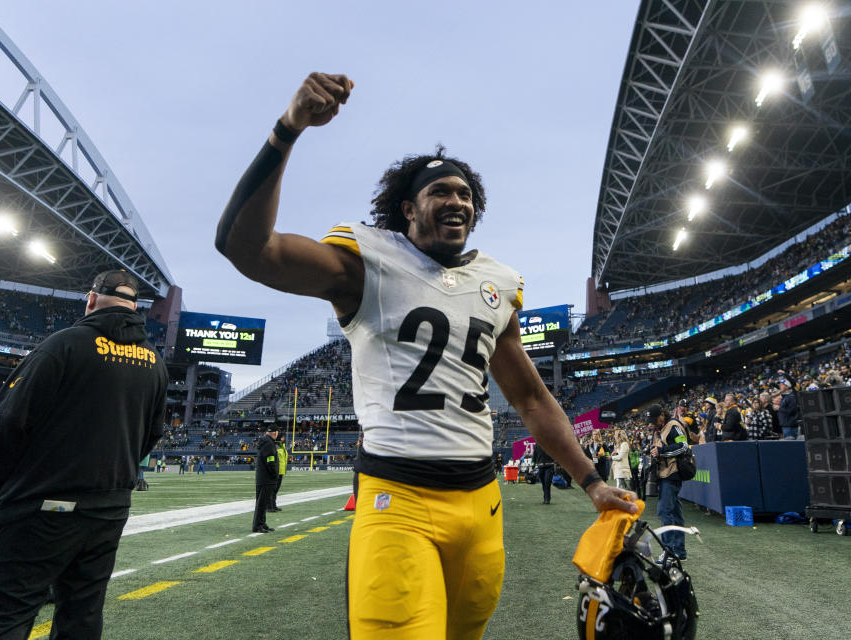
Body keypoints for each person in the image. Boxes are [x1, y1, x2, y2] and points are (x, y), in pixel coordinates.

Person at [215, 71, 636, 638]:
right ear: (408, 209)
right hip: (400, 501)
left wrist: (590, 481)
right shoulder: (367, 262)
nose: (456, 200)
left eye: (464, 193)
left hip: (482, 506)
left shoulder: (498, 284)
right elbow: (247, 249)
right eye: (441, 192)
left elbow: (532, 397)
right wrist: (287, 131)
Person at [0, 269, 168, 639]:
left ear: (91, 300)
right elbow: (151, 435)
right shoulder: (154, 362)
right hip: (108, 510)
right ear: (135, 307)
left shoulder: (64, 344)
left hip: (41, 505)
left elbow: (2, 426)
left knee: (3, 615)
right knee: (81, 616)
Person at [647, 404, 689, 561]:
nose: (652, 423)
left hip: (672, 473)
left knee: (664, 511)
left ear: (661, 416)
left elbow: (684, 446)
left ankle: (670, 551)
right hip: (665, 473)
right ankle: (679, 552)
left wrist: (661, 451)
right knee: (675, 513)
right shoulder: (660, 429)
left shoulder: (673, 425)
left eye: (654, 419)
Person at [252, 427, 280, 533]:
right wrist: (274, 474)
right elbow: (270, 460)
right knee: (262, 503)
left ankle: (261, 523)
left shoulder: (266, 442)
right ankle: (258, 525)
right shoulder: (269, 444)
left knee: (262, 503)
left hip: (263, 477)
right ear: (275, 433)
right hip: (267, 478)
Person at [776, 375, 800, 439]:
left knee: (791, 446)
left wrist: (779, 408)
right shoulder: (785, 397)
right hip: (786, 425)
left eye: (781, 385)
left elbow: (792, 411)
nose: (780, 386)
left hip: (790, 426)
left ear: (787, 386)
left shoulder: (790, 397)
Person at [270, 427, 288, 512]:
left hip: (281, 471)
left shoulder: (281, 446)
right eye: (283, 437)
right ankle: (270, 506)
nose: (284, 439)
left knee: (276, 490)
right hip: (276, 471)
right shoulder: (275, 446)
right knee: (273, 489)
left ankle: (273, 505)